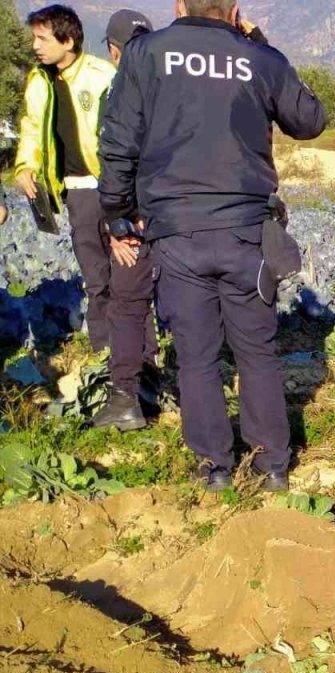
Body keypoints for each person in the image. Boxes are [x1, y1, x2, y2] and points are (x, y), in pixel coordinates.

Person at [98, 0, 327, 492]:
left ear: (179, 5)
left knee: (197, 355)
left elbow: (118, 139)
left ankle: (215, 469)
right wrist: (260, 43)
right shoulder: (257, 58)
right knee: (256, 351)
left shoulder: (145, 54)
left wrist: (118, 212)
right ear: (236, 9)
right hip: (246, 230)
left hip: (177, 229)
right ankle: (271, 468)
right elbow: (309, 120)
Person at [15, 5, 119, 354]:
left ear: (68, 39)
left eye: (42, 38)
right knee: (94, 273)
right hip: (78, 191)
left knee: (127, 270)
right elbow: (31, 127)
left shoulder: (102, 74)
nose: (35, 46)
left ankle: (137, 346)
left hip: (115, 187)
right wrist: (25, 166)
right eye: (34, 38)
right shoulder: (39, 81)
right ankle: (105, 350)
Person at [91, 8, 158, 432]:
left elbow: (115, 162)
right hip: (182, 217)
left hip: (137, 221)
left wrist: (116, 222)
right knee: (194, 309)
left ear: (115, 52)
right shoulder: (177, 89)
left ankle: (126, 400)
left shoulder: (116, 95)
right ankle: (192, 396)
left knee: (129, 306)